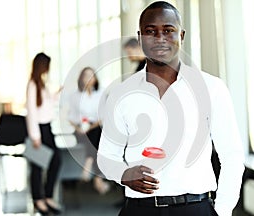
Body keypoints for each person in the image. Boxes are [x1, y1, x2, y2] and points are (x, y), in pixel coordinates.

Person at [97, 1, 244, 216]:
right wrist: (123, 174)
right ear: (140, 38)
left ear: (181, 36)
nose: (160, 38)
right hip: (140, 210)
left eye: (168, 30)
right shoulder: (122, 93)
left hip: (195, 208)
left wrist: (222, 210)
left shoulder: (211, 88)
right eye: (150, 31)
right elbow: (106, 156)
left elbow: (232, 155)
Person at [26, 52, 62, 215]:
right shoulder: (32, 85)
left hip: (47, 128)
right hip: (38, 130)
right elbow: (32, 112)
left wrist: (56, 95)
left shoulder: (41, 83)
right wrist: (35, 136)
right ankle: (38, 200)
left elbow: (44, 106)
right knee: (38, 167)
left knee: (56, 160)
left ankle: (47, 196)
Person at [68, 67, 110, 195]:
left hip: (96, 127)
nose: (89, 79)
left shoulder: (101, 93)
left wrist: (90, 127)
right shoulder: (75, 96)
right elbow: (71, 117)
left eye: (92, 76)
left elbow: (103, 116)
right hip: (80, 129)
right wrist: (79, 128)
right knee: (96, 141)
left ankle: (88, 162)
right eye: (86, 76)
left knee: (96, 133)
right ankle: (98, 178)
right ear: (81, 79)